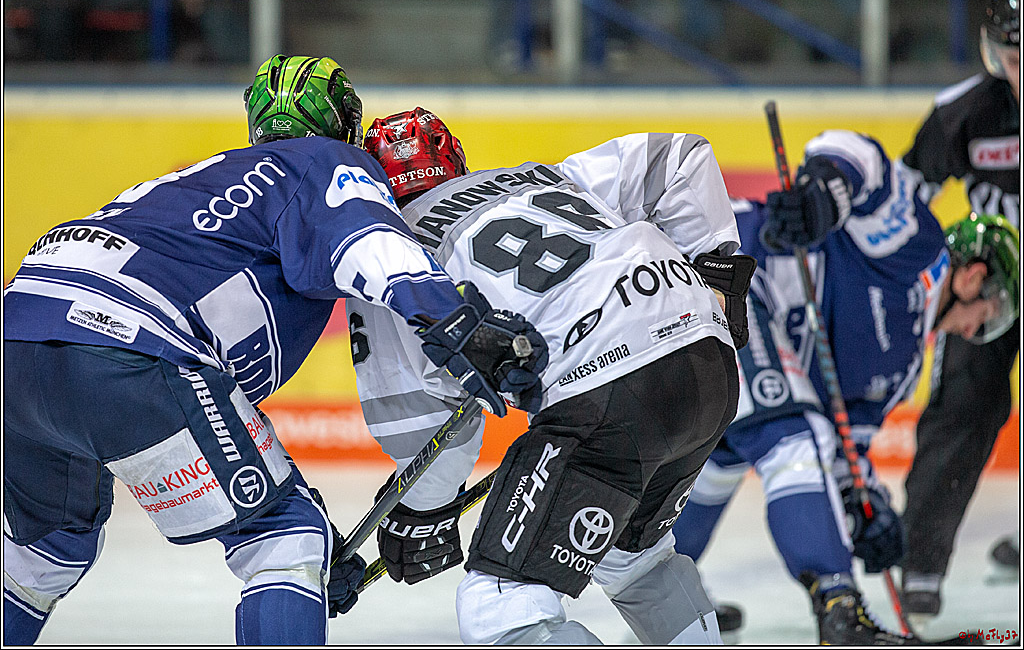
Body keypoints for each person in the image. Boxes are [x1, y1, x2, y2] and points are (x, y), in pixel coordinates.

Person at [2, 56, 545, 645]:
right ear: (344, 120)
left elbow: (214, 394)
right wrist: (460, 323)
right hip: (130, 342)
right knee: (284, 543)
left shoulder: (196, 180)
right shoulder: (324, 162)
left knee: (43, 551)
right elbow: (375, 248)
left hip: (19, 335)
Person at [353, 107, 757, 644]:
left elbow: (420, 415)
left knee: (502, 604)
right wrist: (716, 271)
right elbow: (680, 156)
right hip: (708, 362)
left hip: (607, 391)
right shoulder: (545, 174)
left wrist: (422, 511)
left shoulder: (392, 253)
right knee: (636, 562)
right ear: (455, 159)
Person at [671, 129, 1019, 644]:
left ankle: (666, 588)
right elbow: (858, 155)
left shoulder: (902, 370)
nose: (975, 333)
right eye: (986, 314)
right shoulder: (915, 251)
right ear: (971, 277)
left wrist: (865, 504)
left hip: (727, 326)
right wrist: (824, 191)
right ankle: (839, 607)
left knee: (728, 451)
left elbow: (843, 449)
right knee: (790, 436)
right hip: (715, 275)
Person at [898, 0, 1021, 624]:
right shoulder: (963, 113)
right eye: (1016, 60)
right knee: (960, 414)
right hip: (988, 288)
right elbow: (900, 202)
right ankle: (920, 558)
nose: (1023, 76)